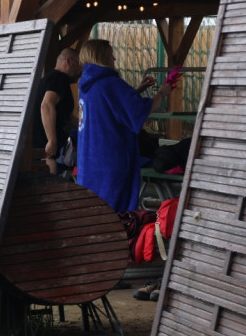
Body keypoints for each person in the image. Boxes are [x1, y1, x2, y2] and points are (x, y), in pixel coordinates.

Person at [76, 39, 169, 212]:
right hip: (111, 162)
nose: (114, 59)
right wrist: (162, 93)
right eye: (111, 54)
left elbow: (112, 107)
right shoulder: (111, 83)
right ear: (102, 56)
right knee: (115, 213)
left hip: (89, 162)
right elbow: (140, 110)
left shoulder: (86, 85)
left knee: (93, 212)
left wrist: (137, 90)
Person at [32, 47, 81, 174]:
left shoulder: (50, 78)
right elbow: (46, 105)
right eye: (80, 66)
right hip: (45, 152)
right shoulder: (59, 79)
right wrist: (51, 140)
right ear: (69, 61)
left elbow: (66, 118)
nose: (81, 71)